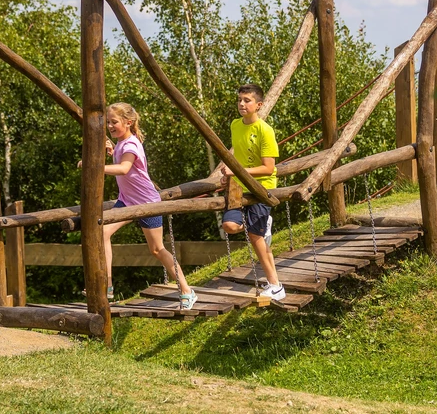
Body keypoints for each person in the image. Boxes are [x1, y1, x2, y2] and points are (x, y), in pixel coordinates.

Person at [80, 102, 197, 309]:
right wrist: (110, 150)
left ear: (128, 122)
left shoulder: (131, 144)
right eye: (108, 122)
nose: (110, 126)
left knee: (157, 249)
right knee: (101, 233)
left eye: (114, 122)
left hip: (147, 203)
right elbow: (121, 159)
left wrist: (94, 165)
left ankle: (187, 290)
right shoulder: (122, 144)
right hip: (126, 201)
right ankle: (106, 287)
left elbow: (125, 168)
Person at [219, 84, 286, 301]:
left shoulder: (265, 130)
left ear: (258, 105)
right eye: (239, 99)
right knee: (229, 226)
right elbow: (237, 155)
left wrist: (237, 170)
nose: (241, 104)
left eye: (247, 100)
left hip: (262, 188)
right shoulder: (235, 125)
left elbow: (268, 168)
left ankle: (276, 286)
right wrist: (228, 174)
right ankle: (261, 223)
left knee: (255, 236)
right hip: (239, 188)